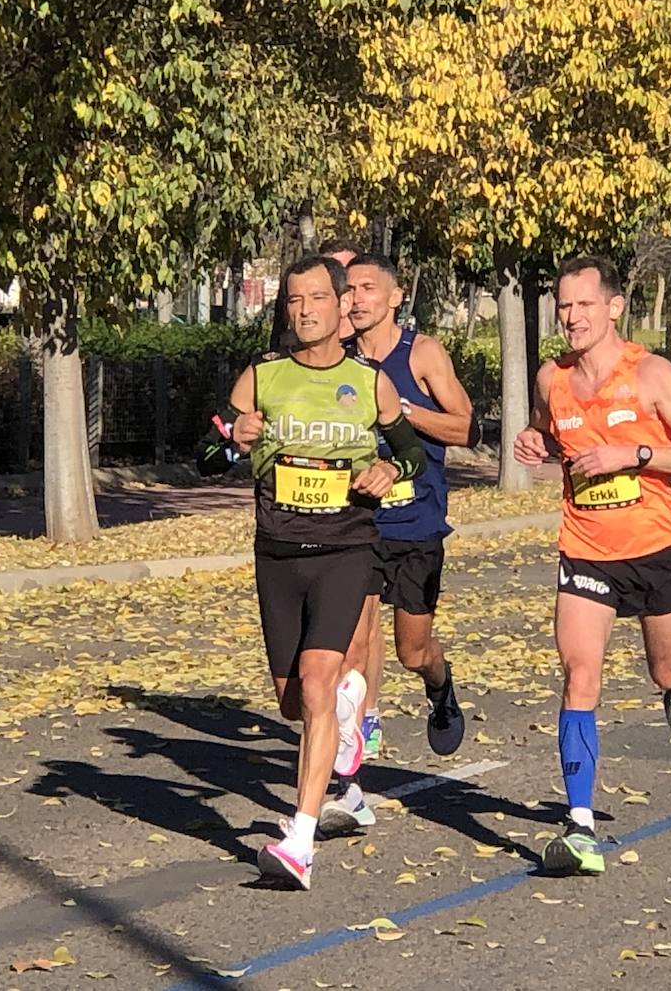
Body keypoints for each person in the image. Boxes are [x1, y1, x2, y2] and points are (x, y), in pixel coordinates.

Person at [194, 254, 427, 889]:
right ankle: (350, 707)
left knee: (318, 682)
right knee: (294, 701)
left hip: (346, 548)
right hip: (277, 550)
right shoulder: (262, 377)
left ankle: (299, 838)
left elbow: (412, 454)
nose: (305, 311)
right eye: (294, 301)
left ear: (340, 305)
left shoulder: (369, 380)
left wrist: (391, 471)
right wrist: (233, 437)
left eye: (317, 299)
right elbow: (207, 454)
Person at [513, 255, 671, 876]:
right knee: (580, 674)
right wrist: (539, 445)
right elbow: (545, 434)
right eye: (564, 306)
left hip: (656, 547)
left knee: (660, 669)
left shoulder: (651, 374)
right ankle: (580, 828)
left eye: (583, 305)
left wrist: (631, 453)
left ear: (613, 308)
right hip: (585, 548)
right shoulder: (551, 377)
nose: (572, 317)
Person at [317, 254, 476, 836]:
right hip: (358, 527)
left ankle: (441, 687)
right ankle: (349, 788)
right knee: (351, 652)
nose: (355, 299)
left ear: (394, 297)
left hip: (418, 528)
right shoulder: (339, 360)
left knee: (413, 651)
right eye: (349, 289)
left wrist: (402, 412)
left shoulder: (422, 353)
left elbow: (466, 427)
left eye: (366, 289)